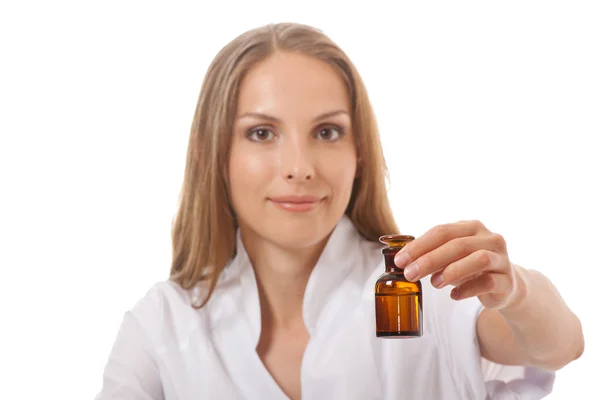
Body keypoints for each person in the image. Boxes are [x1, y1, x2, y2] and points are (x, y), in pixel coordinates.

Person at [95, 23, 584, 400]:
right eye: (262, 133)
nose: (299, 168)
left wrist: (515, 289)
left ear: (359, 154)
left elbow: (558, 346)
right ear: (211, 154)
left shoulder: (421, 290)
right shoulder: (162, 326)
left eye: (327, 132)